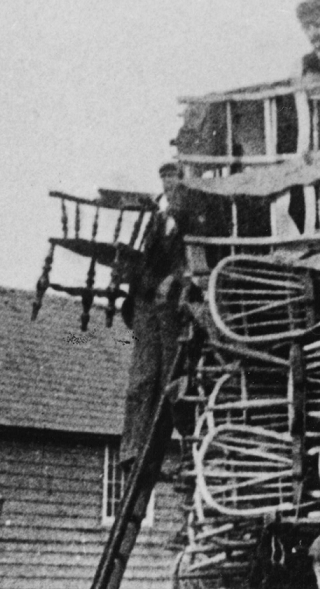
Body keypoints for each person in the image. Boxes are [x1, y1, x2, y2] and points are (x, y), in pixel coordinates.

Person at [119, 162, 189, 470]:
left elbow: (195, 259)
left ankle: (176, 439)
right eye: (165, 184)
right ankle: (132, 446)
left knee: (170, 378)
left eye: (173, 184)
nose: (168, 190)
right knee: (142, 378)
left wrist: (174, 278)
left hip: (172, 306)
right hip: (148, 303)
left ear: (182, 184)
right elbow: (146, 259)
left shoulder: (191, 218)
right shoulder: (157, 221)